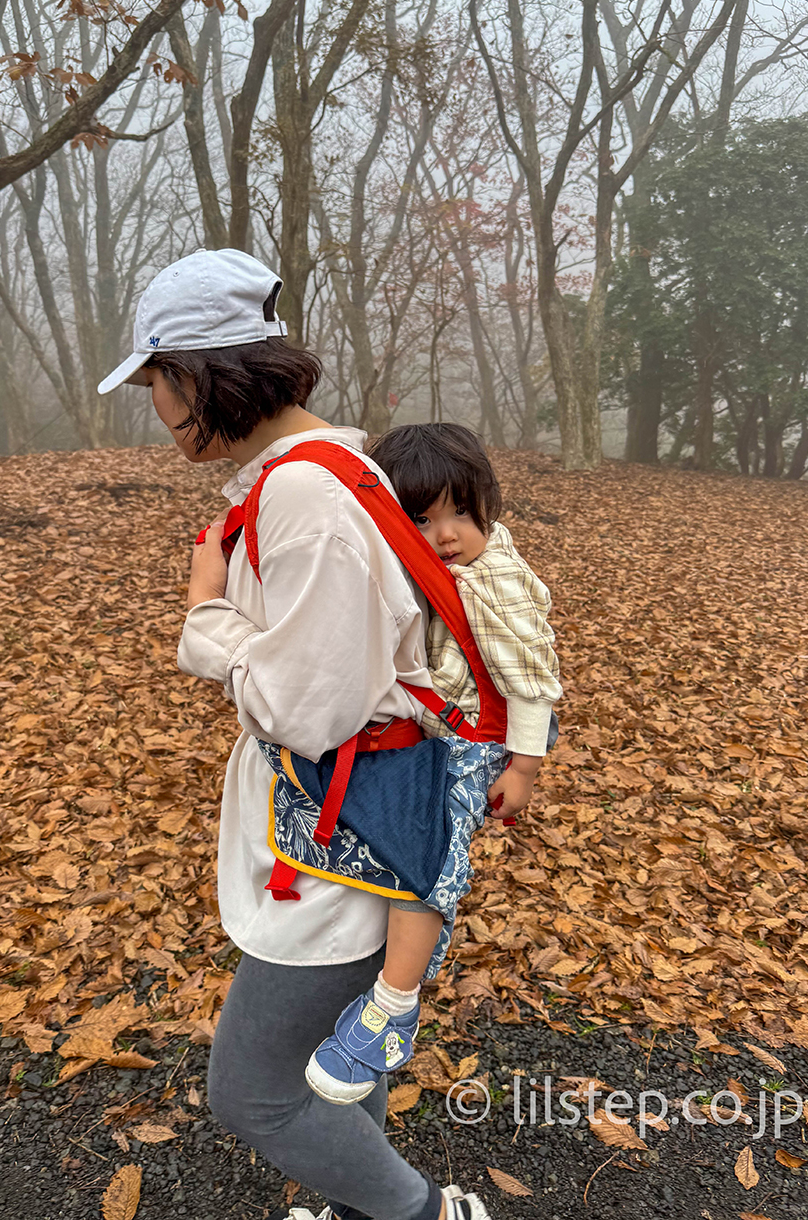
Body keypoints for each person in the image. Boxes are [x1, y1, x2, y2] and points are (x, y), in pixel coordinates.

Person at [96, 248, 492, 1220]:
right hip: (347, 821)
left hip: (336, 837)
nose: (155, 408)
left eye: (156, 382)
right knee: (329, 1063)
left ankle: (427, 1214)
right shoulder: (319, 469)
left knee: (254, 1090)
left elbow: (311, 707)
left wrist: (205, 623)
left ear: (199, 374)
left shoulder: (306, 499)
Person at [304, 424, 561, 1107]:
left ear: (487, 506)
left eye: (460, 512)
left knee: (428, 864)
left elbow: (533, 679)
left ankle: (394, 1005)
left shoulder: (494, 580)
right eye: (421, 517)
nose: (445, 533)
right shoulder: (433, 573)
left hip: (478, 742)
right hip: (437, 732)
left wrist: (524, 767)